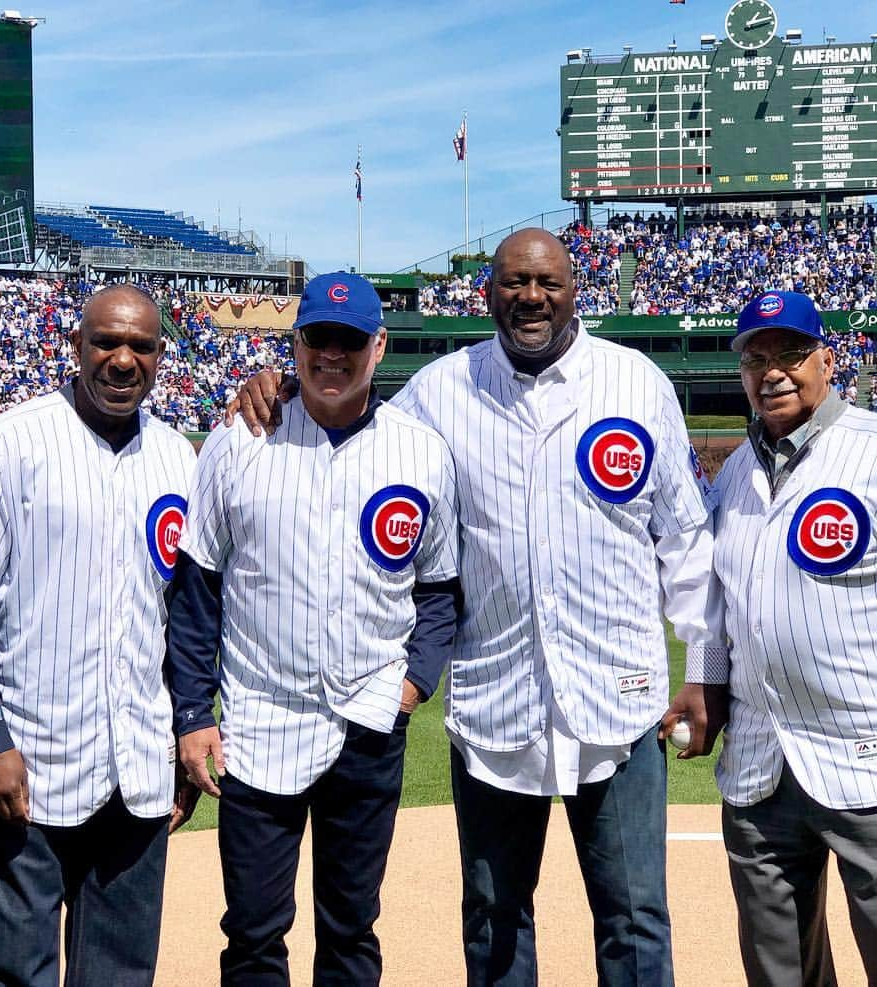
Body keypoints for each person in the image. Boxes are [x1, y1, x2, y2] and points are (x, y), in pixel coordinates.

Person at [230, 230, 727, 986]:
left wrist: (703, 667)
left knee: (633, 915)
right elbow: (360, 421)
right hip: (498, 702)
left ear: (574, 289)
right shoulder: (439, 391)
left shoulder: (637, 382)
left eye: (548, 282)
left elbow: (686, 543)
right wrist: (285, 385)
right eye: (514, 282)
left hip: (619, 699)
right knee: (495, 916)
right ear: (487, 292)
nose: (531, 297)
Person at [167, 272, 461, 985]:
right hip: (257, 723)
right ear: (294, 344)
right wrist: (191, 713)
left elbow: (441, 590)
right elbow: (197, 587)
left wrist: (413, 684)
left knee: (351, 925)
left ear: (379, 345)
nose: (332, 354)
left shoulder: (421, 452)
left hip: (367, 720)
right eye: (316, 339)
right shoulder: (240, 441)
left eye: (349, 340)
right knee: (254, 932)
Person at [0, 284, 198, 987]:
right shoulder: (8, 440)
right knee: (8, 974)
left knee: (119, 974)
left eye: (141, 346)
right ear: (75, 345)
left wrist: (186, 731)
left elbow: (184, 618)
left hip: (137, 771)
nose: (123, 359)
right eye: (106, 342)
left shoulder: (179, 458)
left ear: (160, 356)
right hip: (24, 766)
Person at [710, 289, 877, 984]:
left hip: (863, 757)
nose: (771, 370)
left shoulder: (869, 451)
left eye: (790, 352)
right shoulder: (731, 474)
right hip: (758, 765)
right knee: (781, 974)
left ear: (828, 360)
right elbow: (714, 603)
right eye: (756, 356)